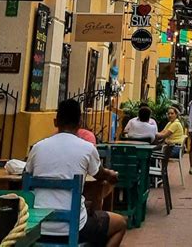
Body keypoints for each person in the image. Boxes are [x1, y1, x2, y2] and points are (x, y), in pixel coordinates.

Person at [26, 99, 126, 247]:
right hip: (75, 227)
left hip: (36, 226)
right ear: (80, 123)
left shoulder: (37, 148)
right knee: (120, 224)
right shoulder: (87, 148)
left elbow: (26, 174)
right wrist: (111, 175)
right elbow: (99, 173)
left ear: (55, 122)